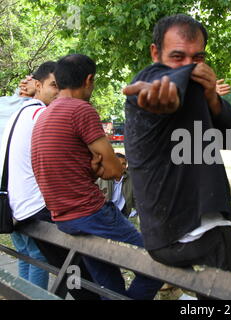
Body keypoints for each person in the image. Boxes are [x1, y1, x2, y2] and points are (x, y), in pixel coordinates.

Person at [122, 14, 231, 298]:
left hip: (177, 234)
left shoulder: (199, 92)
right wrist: (165, 92)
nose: (189, 67)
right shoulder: (151, 82)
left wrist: (213, 99)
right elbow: (161, 83)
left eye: (198, 57)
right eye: (177, 56)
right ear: (155, 52)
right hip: (194, 233)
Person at [31, 54, 163, 300]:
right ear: (89, 80)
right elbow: (115, 171)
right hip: (90, 213)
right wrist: (102, 165)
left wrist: (93, 168)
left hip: (63, 217)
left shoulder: (45, 115)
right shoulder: (81, 110)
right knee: (156, 265)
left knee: (108, 282)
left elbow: (67, 168)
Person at [0, 62, 58, 289]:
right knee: (38, 257)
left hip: (6, 200)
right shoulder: (37, 114)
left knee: (25, 253)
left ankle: (22, 295)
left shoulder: (14, 112)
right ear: (38, 85)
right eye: (53, 85)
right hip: (27, 203)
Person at [96, 153, 136, 218]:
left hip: (122, 215)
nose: (121, 166)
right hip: (104, 214)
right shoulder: (101, 178)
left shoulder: (130, 179)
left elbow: (135, 198)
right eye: (118, 163)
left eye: (124, 164)